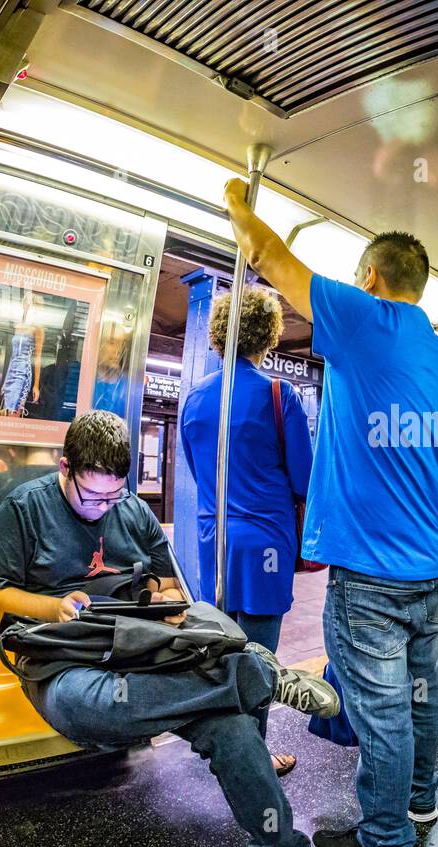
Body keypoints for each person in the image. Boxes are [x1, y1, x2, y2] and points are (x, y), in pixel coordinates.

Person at [222, 179, 438, 847]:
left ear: (370, 277)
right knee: (422, 694)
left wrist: (239, 200)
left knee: (383, 713)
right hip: (429, 570)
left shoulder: (368, 320)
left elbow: (270, 257)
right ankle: (421, 798)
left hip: (374, 577)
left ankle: (386, 842)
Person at [0, 411, 338, 847]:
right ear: (64, 468)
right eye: (92, 495)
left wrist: (161, 599)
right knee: (84, 703)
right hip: (64, 657)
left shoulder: (131, 509)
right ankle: (251, 676)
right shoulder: (25, 509)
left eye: (114, 495)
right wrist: (53, 606)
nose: (103, 506)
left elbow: (166, 583)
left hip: (140, 648)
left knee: (232, 728)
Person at [179, 284, 314, 776]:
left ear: (218, 336)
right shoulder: (282, 396)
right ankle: (250, 758)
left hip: (211, 545)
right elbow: (304, 479)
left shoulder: (193, 400)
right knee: (258, 659)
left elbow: (198, 472)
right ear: (269, 336)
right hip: (264, 547)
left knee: (219, 650)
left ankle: (220, 743)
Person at [0, 292, 45, 417]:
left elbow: (38, 358)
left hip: (23, 371)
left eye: (28, 302)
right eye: (24, 302)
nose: (25, 305)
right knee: (4, 412)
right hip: (12, 369)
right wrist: (5, 380)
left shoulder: (38, 328)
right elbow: (13, 356)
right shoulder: (18, 326)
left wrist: (36, 385)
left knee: (14, 412)